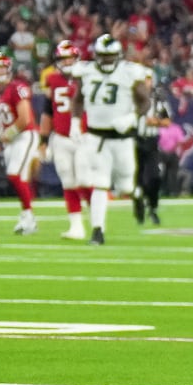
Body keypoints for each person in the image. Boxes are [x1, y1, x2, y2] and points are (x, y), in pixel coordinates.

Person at [69, 33, 151, 245]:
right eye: (103, 55)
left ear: (118, 55)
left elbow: (145, 102)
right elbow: (78, 98)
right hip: (97, 137)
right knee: (100, 183)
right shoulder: (86, 71)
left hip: (122, 138)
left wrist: (132, 117)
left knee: (124, 185)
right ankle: (98, 231)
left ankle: (136, 193)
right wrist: (75, 122)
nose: (106, 60)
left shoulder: (129, 72)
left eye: (110, 55)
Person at [38, 41, 88, 239]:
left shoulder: (87, 78)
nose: (66, 62)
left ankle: (97, 220)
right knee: (68, 181)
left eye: (69, 58)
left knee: (84, 180)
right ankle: (76, 226)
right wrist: (43, 140)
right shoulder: (53, 80)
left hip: (84, 136)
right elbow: (47, 112)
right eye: (62, 58)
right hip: (60, 137)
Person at [0, 53, 40, 232]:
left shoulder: (17, 87)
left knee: (14, 174)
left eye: (2, 67)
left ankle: (29, 217)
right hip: (12, 139)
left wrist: (8, 134)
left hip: (25, 135)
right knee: (19, 179)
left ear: (9, 68)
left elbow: (24, 118)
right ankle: (27, 217)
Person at [134, 83, 173, 225]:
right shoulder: (130, 95)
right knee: (137, 179)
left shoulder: (158, 97)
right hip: (134, 141)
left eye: (149, 78)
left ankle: (153, 207)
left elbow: (167, 121)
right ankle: (138, 203)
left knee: (155, 176)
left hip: (151, 143)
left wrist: (155, 121)